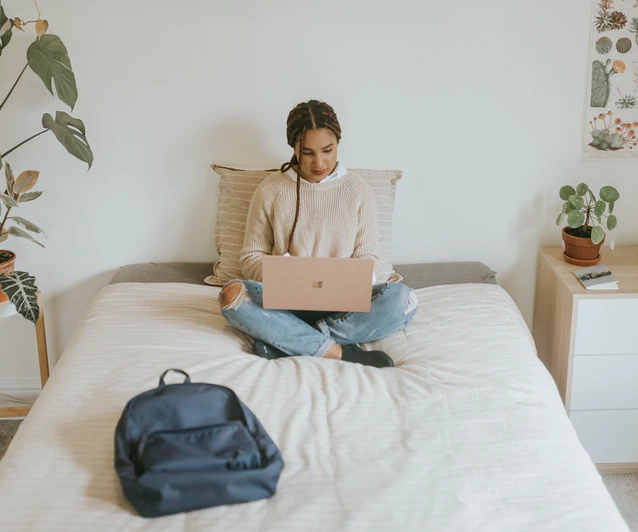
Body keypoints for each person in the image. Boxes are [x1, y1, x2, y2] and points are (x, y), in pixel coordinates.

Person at [218, 100, 418, 368]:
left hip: (345, 306)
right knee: (231, 296)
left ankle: (290, 340)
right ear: (293, 148)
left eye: (328, 150)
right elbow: (251, 256)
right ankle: (340, 351)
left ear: (338, 143)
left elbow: (369, 255)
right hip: (284, 303)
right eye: (307, 152)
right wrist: (283, 272)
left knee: (403, 300)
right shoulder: (270, 190)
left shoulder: (358, 190)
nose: (319, 162)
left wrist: (354, 280)